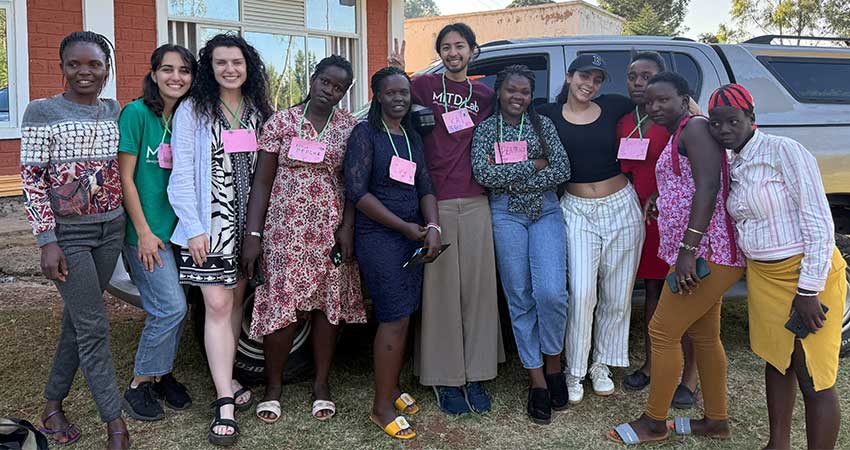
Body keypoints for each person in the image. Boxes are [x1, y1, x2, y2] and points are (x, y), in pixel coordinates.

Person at [607, 72, 745, 445]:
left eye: (662, 100)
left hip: (707, 254)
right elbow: (685, 183)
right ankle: (716, 421)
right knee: (704, 336)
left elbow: (709, 187)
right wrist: (659, 199)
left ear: (684, 100)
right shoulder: (679, 131)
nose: (653, 107)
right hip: (704, 252)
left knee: (663, 331)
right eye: (649, 102)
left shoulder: (695, 128)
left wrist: (687, 252)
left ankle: (654, 423)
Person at [708, 84, 845, 450]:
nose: (723, 130)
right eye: (716, 123)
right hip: (765, 276)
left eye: (733, 121)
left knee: (812, 372)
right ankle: (777, 444)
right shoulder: (733, 162)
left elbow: (819, 222)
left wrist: (808, 290)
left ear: (752, 118)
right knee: (777, 361)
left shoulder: (784, 151)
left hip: (806, 274)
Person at [241, 55, 366, 424]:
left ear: (346, 92)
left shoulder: (349, 127)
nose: (330, 91)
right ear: (312, 79)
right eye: (325, 82)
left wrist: (347, 227)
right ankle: (274, 387)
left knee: (327, 306)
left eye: (339, 87)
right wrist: (253, 234)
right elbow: (262, 182)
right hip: (285, 229)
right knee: (282, 304)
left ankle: (321, 385)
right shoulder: (281, 122)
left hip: (330, 228)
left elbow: (354, 184)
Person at [21, 31, 130, 449]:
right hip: (69, 235)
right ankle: (115, 424)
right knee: (94, 326)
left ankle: (52, 404)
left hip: (111, 229)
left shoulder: (114, 109)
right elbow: (31, 180)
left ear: (107, 70)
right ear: (61, 67)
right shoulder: (42, 111)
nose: (84, 72)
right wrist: (46, 239)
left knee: (77, 321)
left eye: (94, 65)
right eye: (75, 64)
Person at [387, 23, 503, 416]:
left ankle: (476, 373)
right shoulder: (422, 87)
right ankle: (444, 378)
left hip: (476, 200)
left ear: (472, 50)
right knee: (440, 295)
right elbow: (394, 98)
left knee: (478, 292)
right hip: (433, 200)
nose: (453, 52)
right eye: (446, 47)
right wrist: (399, 72)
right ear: (439, 53)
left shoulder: (486, 95)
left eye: (460, 46)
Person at [167, 33, 273, 446]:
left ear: (249, 67)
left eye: (237, 62)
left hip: (248, 228)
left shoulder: (259, 111)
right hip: (209, 229)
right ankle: (225, 399)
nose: (230, 69)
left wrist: (259, 231)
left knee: (232, 304)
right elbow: (181, 176)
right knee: (215, 303)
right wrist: (193, 228)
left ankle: (225, 375)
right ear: (209, 69)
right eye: (220, 63)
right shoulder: (194, 110)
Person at [537, 53, 644, 404]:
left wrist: (694, 107)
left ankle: (602, 365)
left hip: (621, 207)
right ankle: (575, 370)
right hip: (576, 209)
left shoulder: (613, 106)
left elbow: (659, 100)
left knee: (617, 293)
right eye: (584, 76)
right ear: (569, 77)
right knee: (582, 293)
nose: (590, 84)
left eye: (597, 79)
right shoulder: (547, 114)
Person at [344, 67, 441, 440]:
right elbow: (357, 191)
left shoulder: (411, 136)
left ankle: (393, 388)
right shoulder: (365, 134)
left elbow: (425, 184)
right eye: (391, 93)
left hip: (413, 233)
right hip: (380, 236)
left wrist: (431, 226)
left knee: (406, 312)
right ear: (377, 96)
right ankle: (380, 407)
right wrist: (404, 228)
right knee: (393, 316)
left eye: (405, 93)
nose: (400, 98)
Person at [470, 65, 570, 424]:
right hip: (506, 215)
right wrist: (533, 166)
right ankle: (537, 379)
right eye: (511, 90)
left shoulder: (544, 125)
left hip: (545, 211)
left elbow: (561, 170)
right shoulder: (485, 130)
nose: (518, 97)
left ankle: (555, 364)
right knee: (520, 295)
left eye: (525, 91)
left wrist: (513, 178)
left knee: (552, 293)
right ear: (499, 92)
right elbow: (484, 175)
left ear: (532, 95)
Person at [118, 43, 196, 422]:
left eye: (183, 70)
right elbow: (126, 179)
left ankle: (163, 375)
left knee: (177, 309)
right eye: (167, 69)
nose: (175, 77)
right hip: (146, 236)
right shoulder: (135, 114)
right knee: (170, 307)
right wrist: (143, 232)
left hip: (178, 232)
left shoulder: (185, 116)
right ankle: (138, 385)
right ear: (153, 74)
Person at [617, 52, 698, 408]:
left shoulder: (681, 121)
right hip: (641, 220)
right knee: (653, 292)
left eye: (646, 76)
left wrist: (659, 195)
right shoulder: (625, 121)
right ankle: (652, 364)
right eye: (632, 76)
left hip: (675, 219)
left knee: (688, 295)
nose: (638, 83)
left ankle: (690, 377)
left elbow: (697, 175)